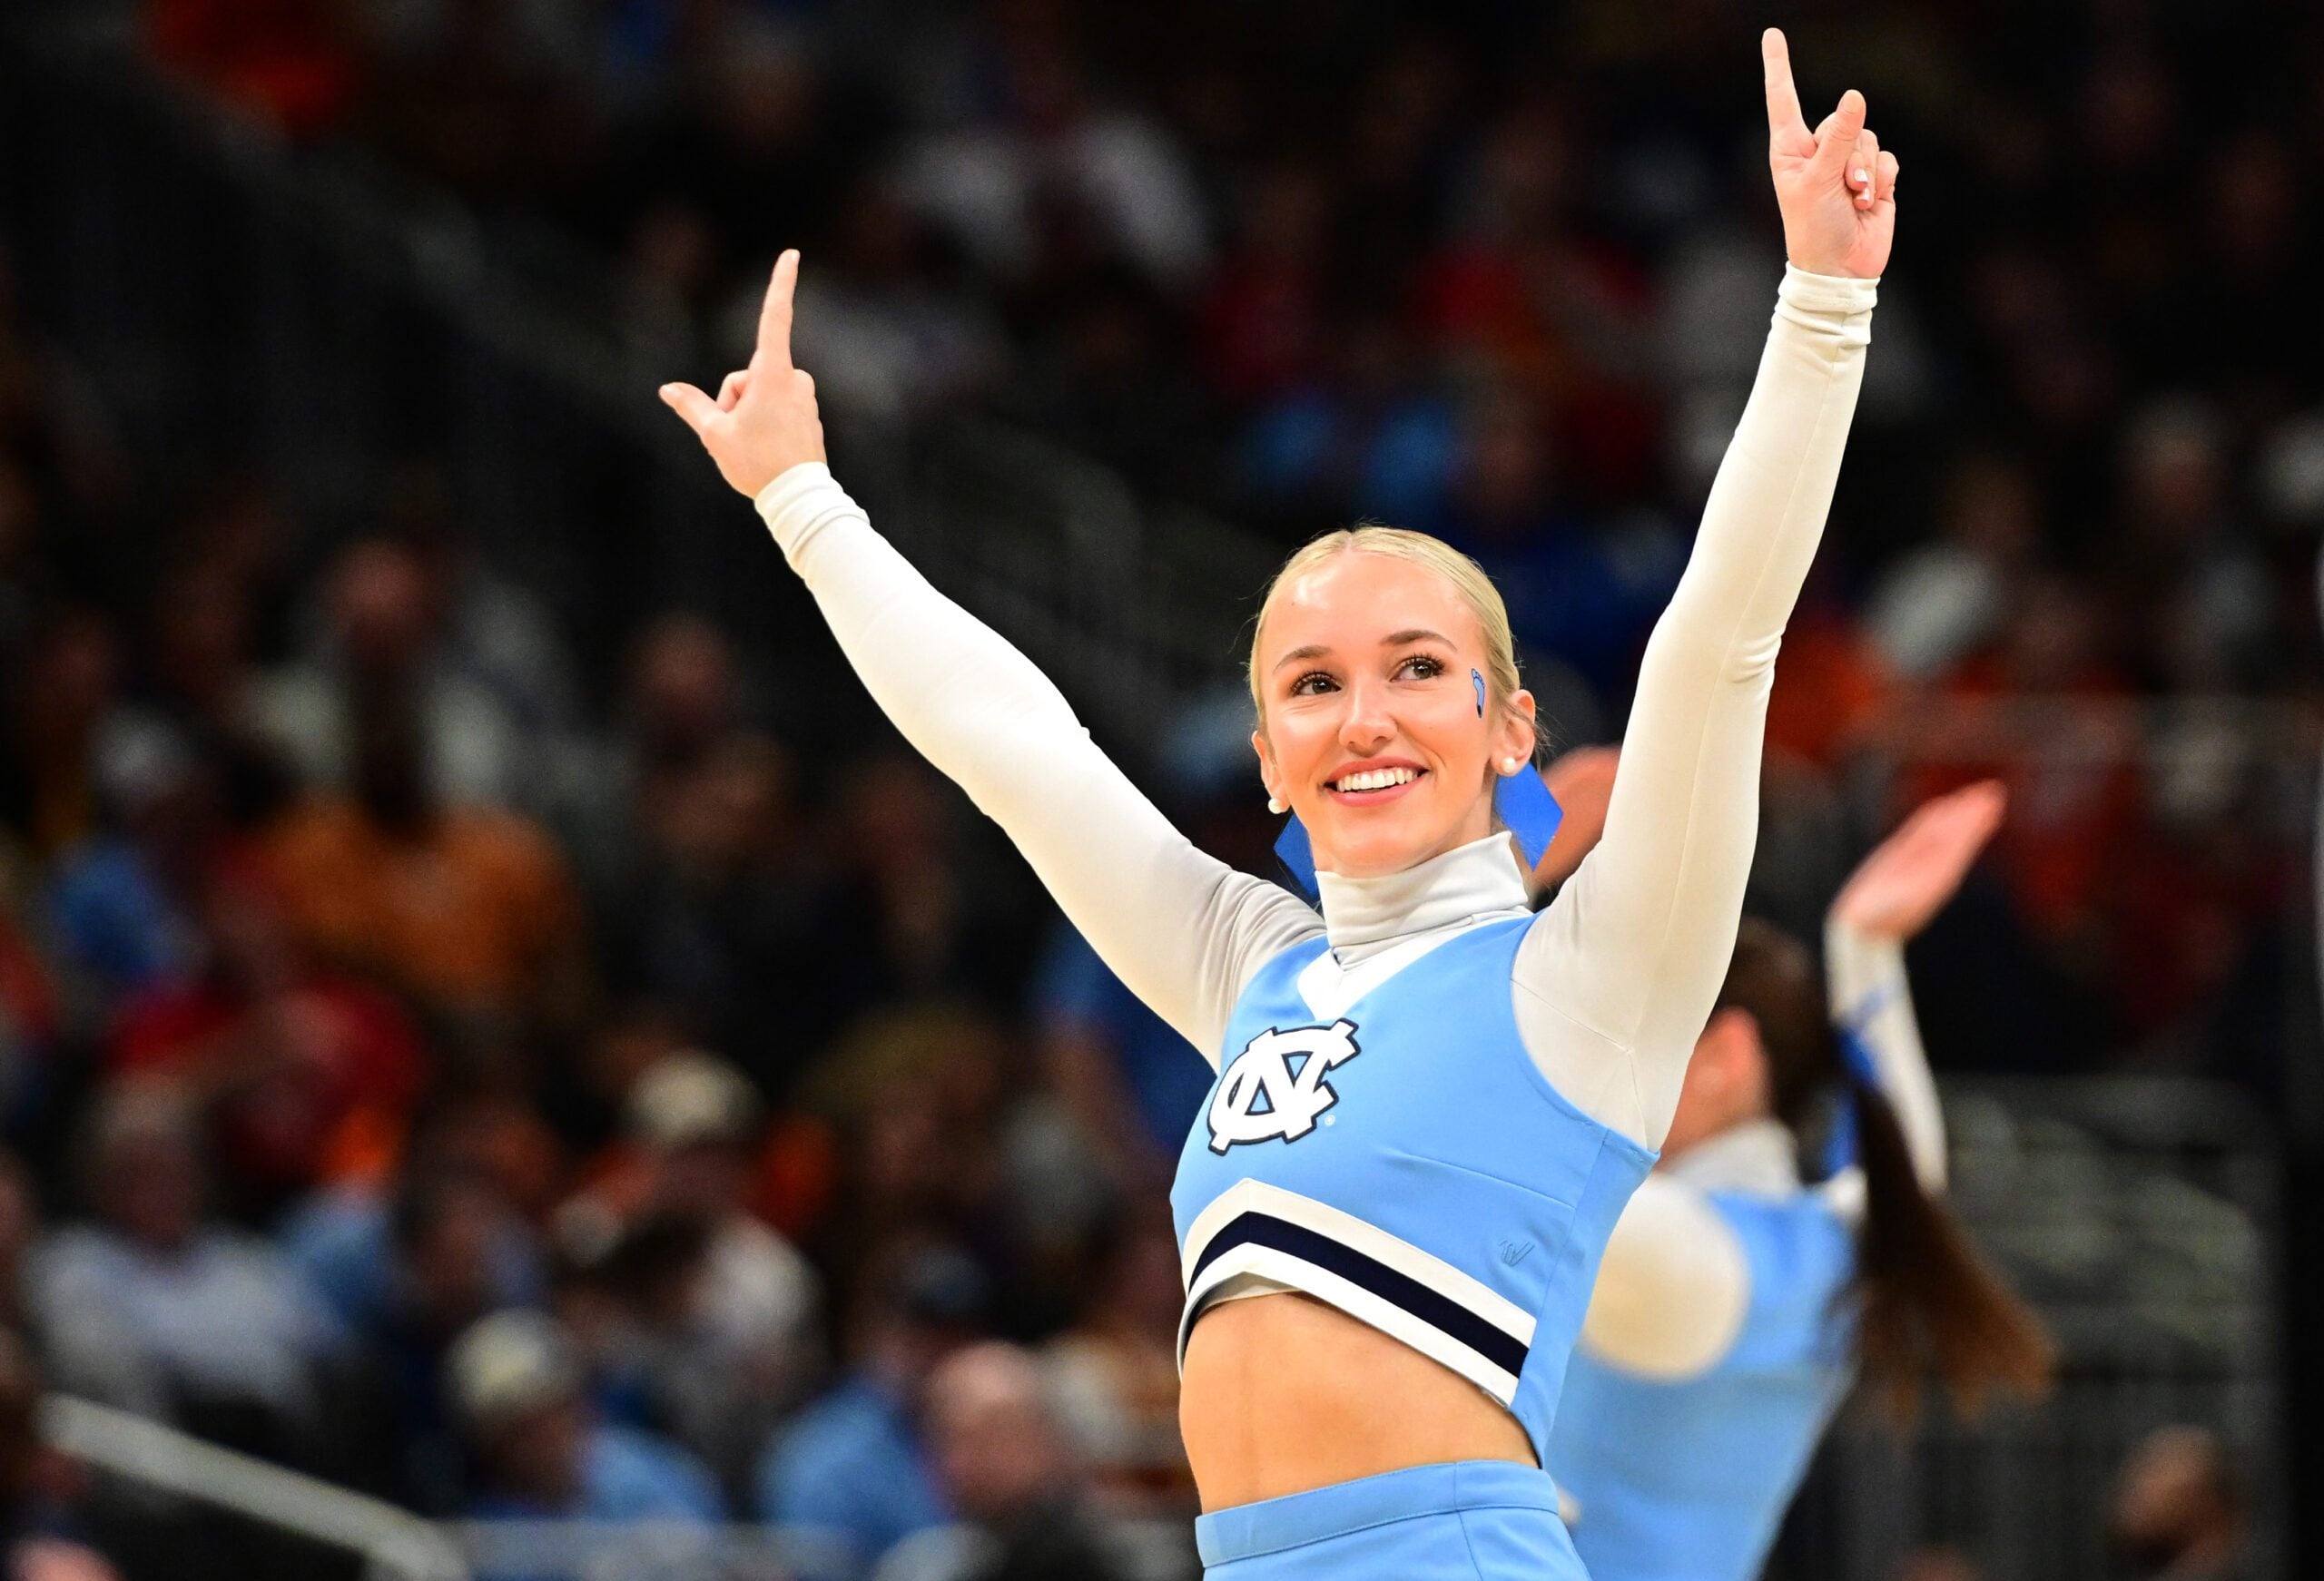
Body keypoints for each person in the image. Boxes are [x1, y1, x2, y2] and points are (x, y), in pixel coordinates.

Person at [667, 30, 1895, 1577]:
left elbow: (1721, 642)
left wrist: (1823, 305)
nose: (1362, 714)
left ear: (1511, 725)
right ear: (1264, 756)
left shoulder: (1592, 977)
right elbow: (1014, 751)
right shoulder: (1254, 964)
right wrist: (803, 501)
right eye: (1310, 682)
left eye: (1417, 667)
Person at [1543, 781, 2053, 1580]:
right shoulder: (1823, 1245)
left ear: (1726, 1060)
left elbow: (1449, 1116)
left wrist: (1501, 861)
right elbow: (1904, 1170)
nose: (1581, 1054)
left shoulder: (1689, 1252)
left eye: (1618, 1025)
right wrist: (1864, 946)